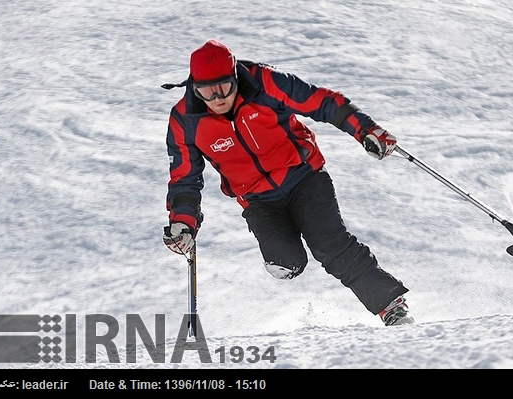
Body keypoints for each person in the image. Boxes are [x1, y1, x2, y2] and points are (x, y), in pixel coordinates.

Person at [162, 39, 414, 327]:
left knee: (330, 245)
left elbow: (321, 101)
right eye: (207, 91)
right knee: (286, 262)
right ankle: (287, 259)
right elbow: (184, 177)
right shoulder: (185, 120)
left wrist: (365, 130)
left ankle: (391, 307)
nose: (217, 98)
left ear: (235, 77)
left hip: (303, 176)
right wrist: (183, 222)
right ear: (194, 87)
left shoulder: (264, 83)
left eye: (224, 87)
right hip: (257, 199)